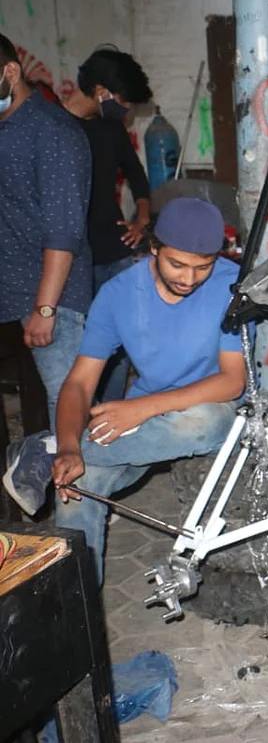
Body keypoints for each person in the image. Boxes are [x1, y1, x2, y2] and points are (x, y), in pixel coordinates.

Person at [2, 198, 247, 582]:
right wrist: (71, 450)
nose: (189, 278)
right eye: (177, 264)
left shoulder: (232, 285)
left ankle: (45, 445)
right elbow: (80, 382)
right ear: (153, 247)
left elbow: (233, 381)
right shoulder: (118, 295)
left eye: (203, 266)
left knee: (206, 423)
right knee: (79, 486)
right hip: (148, 419)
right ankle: (80, 617)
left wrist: (142, 409)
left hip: (208, 407)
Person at [0, 33, 93, 432]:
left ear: (10, 71)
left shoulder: (53, 131)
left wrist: (44, 309)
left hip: (51, 298)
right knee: (42, 414)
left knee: (69, 409)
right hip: (13, 290)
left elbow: (63, 231)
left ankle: (82, 494)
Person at [63, 48, 155, 402]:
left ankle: (110, 413)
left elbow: (138, 178)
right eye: (123, 100)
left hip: (113, 250)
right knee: (81, 346)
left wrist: (142, 219)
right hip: (71, 257)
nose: (127, 109)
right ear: (100, 89)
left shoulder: (110, 129)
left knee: (119, 344)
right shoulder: (55, 128)